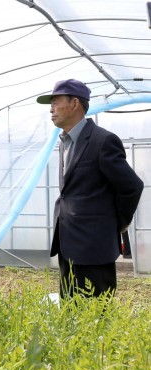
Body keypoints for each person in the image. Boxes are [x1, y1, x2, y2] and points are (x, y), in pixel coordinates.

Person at [37, 79, 143, 298]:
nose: (51, 108)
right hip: (67, 244)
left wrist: (120, 222)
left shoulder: (102, 141)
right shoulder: (65, 141)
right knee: (70, 311)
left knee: (96, 314)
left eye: (56, 102)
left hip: (94, 247)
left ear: (74, 103)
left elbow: (131, 186)